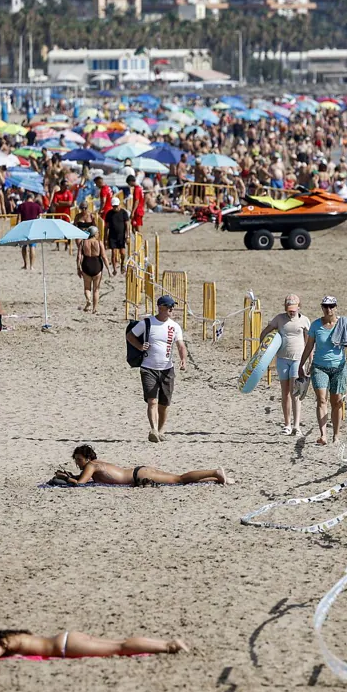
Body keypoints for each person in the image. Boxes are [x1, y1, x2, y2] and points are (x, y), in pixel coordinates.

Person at [298, 295, 347, 447]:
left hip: (339, 368)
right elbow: (309, 347)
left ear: (336, 307)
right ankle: (323, 435)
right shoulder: (315, 326)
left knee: (337, 401)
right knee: (321, 399)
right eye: (326, 306)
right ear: (322, 307)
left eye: (331, 306)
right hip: (319, 367)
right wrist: (301, 364)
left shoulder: (343, 324)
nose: (329, 309)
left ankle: (336, 434)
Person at [126, 295, 186, 443]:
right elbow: (130, 336)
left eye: (172, 307)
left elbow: (180, 345)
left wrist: (183, 359)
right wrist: (140, 347)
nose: (172, 309)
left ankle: (160, 430)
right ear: (160, 308)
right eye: (169, 307)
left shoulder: (175, 326)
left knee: (164, 404)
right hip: (148, 367)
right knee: (152, 400)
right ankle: (153, 430)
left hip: (167, 368)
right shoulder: (147, 323)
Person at [0, 626, 188, 661]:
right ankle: (165, 644)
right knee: (121, 643)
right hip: (67, 637)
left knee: (120, 648)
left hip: (66, 648)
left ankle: (168, 646)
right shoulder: (14, 635)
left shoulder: (7, 643)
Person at [54, 444, 228, 487]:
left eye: (78, 459)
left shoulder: (91, 466)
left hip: (139, 476)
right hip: (139, 472)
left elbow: (81, 484)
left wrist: (66, 478)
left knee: (179, 479)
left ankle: (215, 471)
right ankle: (216, 478)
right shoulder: (96, 464)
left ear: (85, 458)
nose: (77, 462)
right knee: (178, 479)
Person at [259, 294, 311, 435]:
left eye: (294, 309)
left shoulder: (305, 321)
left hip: (297, 359)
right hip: (282, 359)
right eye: (289, 309)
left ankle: (297, 425)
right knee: (285, 392)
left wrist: (309, 360)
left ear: (299, 307)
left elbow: (309, 342)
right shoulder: (279, 319)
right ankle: (287, 424)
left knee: (295, 392)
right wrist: (263, 350)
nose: (291, 311)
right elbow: (265, 332)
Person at [77, 226, 106, 314]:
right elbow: (104, 257)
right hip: (97, 264)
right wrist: (108, 269)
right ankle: (95, 308)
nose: (98, 234)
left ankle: (88, 300)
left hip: (86, 264)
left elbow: (79, 256)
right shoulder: (99, 242)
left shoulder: (83, 242)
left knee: (87, 288)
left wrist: (78, 268)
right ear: (95, 233)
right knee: (96, 289)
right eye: (98, 233)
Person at [16, 192, 42, 270]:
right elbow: (40, 218)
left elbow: (19, 218)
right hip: (33, 227)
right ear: (32, 198)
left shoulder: (21, 206)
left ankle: (25, 264)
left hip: (24, 227)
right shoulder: (37, 206)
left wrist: (17, 227)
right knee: (32, 246)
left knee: (24, 246)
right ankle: (32, 266)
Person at [105, 195, 129, 276]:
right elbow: (107, 227)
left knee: (123, 253)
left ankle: (122, 264)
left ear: (119, 205)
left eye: (116, 206)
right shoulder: (109, 214)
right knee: (114, 253)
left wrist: (127, 236)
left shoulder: (124, 213)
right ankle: (115, 269)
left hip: (121, 236)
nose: (115, 208)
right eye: (114, 206)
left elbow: (127, 225)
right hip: (112, 236)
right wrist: (105, 238)